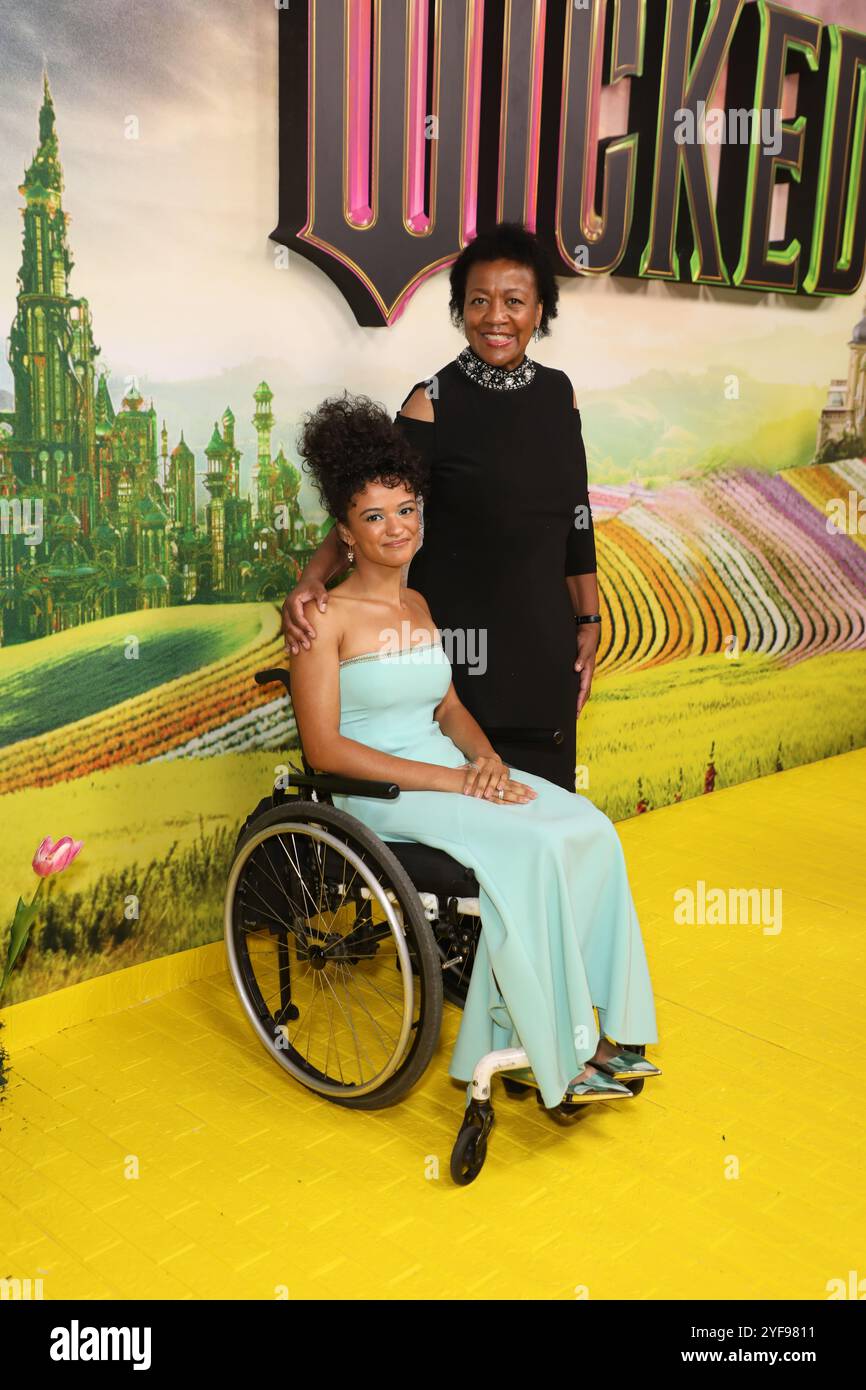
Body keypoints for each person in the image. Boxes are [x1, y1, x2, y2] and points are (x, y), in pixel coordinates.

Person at [288, 393, 660, 1110]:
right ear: (346, 533)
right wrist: (451, 782)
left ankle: (603, 1031)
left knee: (588, 827)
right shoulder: (322, 619)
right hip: (379, 797)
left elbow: (450, 708)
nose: (395, 527)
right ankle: (559, 1049)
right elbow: (325, 748)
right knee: (536, 850)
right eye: (374, 516)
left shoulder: (418, 608)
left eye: (405, 509)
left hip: (446, 774)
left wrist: (485, 764)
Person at [282, 221, 599, 794]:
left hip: (542, 642)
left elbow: (575, 517)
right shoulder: (434, 402)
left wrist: (588, 619)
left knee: (545, 810)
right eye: (478, 301)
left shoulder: (560, 395)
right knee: (479, 812)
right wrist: (311, 580)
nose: (495, 317)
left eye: (514, 301)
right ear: (460, 310)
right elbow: (370, 505)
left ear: (540, 310)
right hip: (460, 645)